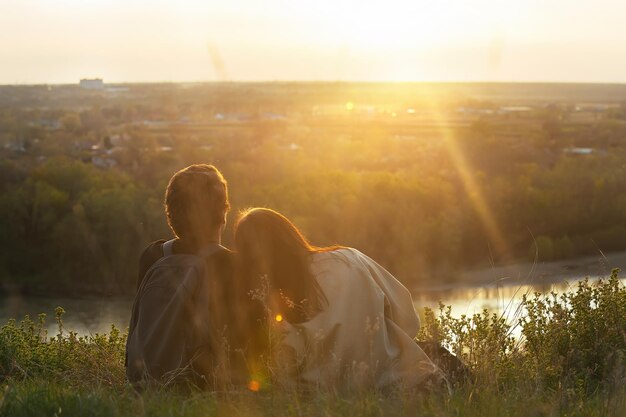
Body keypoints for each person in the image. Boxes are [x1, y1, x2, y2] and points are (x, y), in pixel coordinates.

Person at [233, 207, 447, 392]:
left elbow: (280, 368)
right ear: (289, 234)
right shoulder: (348, 259)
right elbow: (408, 317)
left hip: (326, 396)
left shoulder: (268, 306)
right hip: (397, 383)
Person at [126, 164, 246, 389]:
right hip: (201, 385)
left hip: (141, 378)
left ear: (170, 212)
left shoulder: (152, 255)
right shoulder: (231, 264)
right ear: (224, 212)